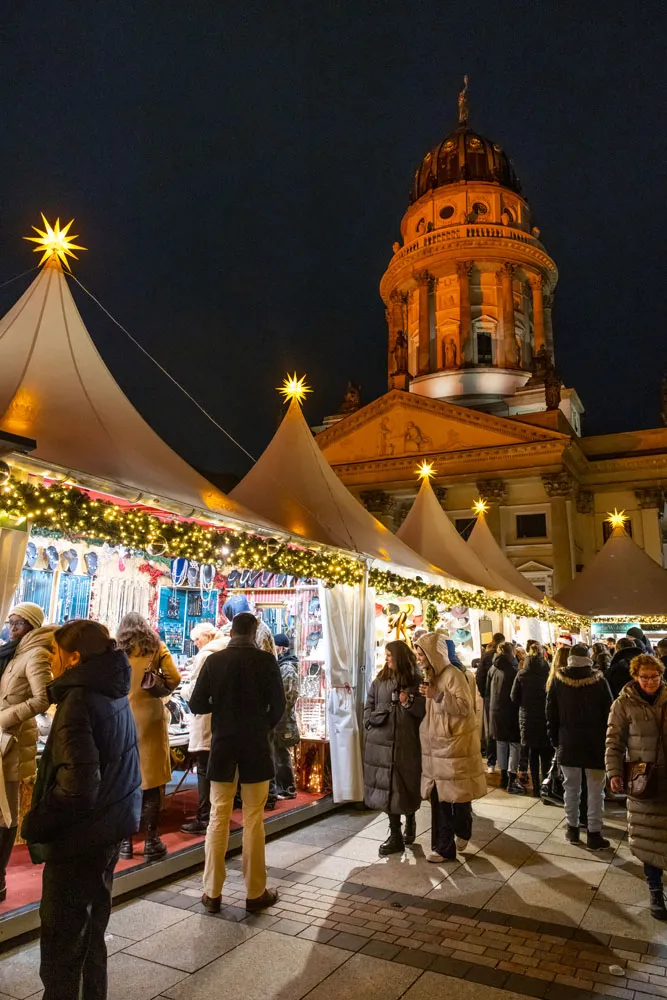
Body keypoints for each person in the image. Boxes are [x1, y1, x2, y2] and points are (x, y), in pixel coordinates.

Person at [22, 620, 141, 1000]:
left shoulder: (79, 701)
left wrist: (36, 822)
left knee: (62, 943)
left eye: (55, 654)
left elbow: (77, 787)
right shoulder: (112, 687)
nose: (51, 663)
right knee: (90, 933)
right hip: (107, 826)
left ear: (74, 657)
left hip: (81, 837)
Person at [189, 612, 285, 913]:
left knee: (218, 816)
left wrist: (221, 708)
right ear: (254, 633)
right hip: (255, 745)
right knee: (254, 818)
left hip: (223, 746)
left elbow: (196, 703)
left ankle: (212, 892)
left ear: (231, 632)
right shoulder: (267, 662)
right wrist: (260, 724)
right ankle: (255, 893)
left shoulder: (215, 661)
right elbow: (279, 707)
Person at [606, 653, 667, 920]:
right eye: (645, 677)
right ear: (635, 676)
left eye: (655, 677)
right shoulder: (623, 704)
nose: (651, 682)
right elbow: (614, 742)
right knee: (647, 835)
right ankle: (655, 890)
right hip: (643, 779)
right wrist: (614, 772)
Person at [416, 632, 486, 862]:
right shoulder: (433, 676)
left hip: (453, 746)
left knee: (456, 795)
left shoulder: (454, 675)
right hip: (436, 747)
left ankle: (463, 830)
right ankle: (443, 847)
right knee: (440, 798)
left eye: (421, 654)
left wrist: (436, 695)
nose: (418, 658)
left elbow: (465, 707)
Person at [116, 613, 181, 860]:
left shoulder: (117, 649)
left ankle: (125, 843)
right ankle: (151, 841)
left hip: (122, 715)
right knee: (152, 781)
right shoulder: (156, 647)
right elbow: (174, 678)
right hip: (151, 719)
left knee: (126, 779)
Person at [0, 603, 53, 901]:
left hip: (13, 743)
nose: (11, 629)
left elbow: (43, 698)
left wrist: (6, 717)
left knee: (5, 814)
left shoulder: (36, 654)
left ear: (31, 626)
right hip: (4, 740)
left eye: (18, 624)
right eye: (10, 623)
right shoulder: (15, 652)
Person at [546, 642, 612, 849]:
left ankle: (572, 829)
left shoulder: (558, 680)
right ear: (589, 658)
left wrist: (555, 741)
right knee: (595, 791)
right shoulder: (599, 681)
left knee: (570, 788)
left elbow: (551, 714)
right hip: (595, 744)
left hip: (568, 742)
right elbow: (609, 713)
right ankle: (594, 833)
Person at [363, 640, 425, 855]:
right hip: (380, 743)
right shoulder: (380, 679)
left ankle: (410, 819)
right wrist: (369, 722)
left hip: (406, 743)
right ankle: (395, 834)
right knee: (387, 789)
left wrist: (409, 702)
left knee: (405, 785)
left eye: (389, 654)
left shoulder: (417, 681)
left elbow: (424, 711)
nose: (386, 658)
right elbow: (369, 703)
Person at [180, 623, 227, 834]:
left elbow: (195, 690)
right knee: (220, 768)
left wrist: (183, 692)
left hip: (207, 717)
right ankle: (217, 813)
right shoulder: (229, 651)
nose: (195, 644)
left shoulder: (206, 655)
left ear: (206, 637)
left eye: (197, 640)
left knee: (204, 768)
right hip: (226, 719)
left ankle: (204, 816)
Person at [511, 641, 552, 796]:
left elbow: (513, 697)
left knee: (533, 755)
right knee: (546, 755)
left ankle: (535, 787)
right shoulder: (548, 673)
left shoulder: (522, 674)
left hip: (527, 718)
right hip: (544, 717)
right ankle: (546, 787)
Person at [487, 642, 524, 794]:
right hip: (511, 710)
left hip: (495, 710)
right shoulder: (515, 669)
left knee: (501, 743)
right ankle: (511, 776)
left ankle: (503, 776)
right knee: (514, 745)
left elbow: (486, 689)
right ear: (512, 652)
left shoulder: (493, 668)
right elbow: (517, 693)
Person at [272, 634, 301, 800]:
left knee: (281, 753)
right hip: (280, 717)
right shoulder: (282, 665)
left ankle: (287, 788)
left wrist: (278, 712)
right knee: (279, 753)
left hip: (282, 719)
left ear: (282, 647)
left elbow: (289, 695)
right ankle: (283, 787)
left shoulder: (287, 667)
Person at [476, 632, 504, 772]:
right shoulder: (507, 658)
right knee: (503, 729)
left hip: (489, 698)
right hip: (502, 698)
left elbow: (480, 676)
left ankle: (491, 762)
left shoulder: (487, 655)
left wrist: (484, 693)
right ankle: (501, 761)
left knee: (491, 729)